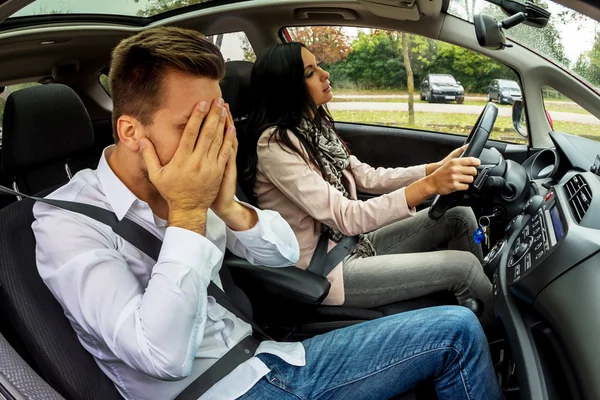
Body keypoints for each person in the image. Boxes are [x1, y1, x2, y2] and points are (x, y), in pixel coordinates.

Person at [32, 27, 502, 400]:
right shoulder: (67, 226)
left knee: (454, 316)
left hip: (271, 355)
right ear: (131, 131)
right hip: (224, 391)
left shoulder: (198, 176)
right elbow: (164, 356)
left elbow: (279, 253)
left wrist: (230, 207)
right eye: (191, 126)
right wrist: (190, 212)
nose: (211, 142)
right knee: (455, 330)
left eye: (215, 121)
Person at [244, 42, 495, 329]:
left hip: (354, 244)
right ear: (287, 87)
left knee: (459, 218)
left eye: (318, 66)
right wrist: (428, 186)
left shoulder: (315, 130)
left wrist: (432, 169)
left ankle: (478, 305)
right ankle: (493, 339)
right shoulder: (275, 145)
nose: (326, 74)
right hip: (327, 270)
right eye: (311, 72)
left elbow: (368, 177)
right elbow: (346, 217)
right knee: (464, 268)